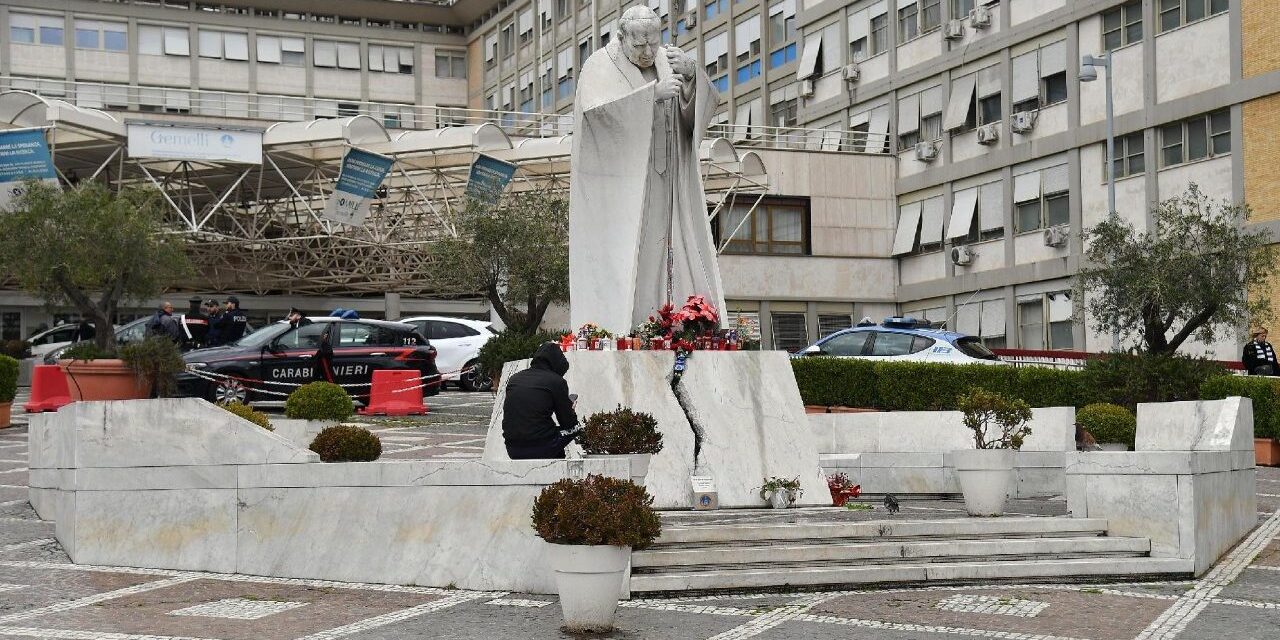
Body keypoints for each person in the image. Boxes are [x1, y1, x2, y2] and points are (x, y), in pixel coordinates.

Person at [568, 5, 725, 335]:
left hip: (671, 181)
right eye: (639, 45)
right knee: (635, 255)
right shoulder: (599, 65)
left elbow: (701, 113)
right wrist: (651, 96)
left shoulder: (667, 60)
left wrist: (692, 75)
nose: (648, 52)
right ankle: (635, 325)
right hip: (627, 188)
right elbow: (596, 116)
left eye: (653, 43)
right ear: (621, 37)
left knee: (675, 248)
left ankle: (681, 322)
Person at [502, 343, 580, 459]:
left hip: (512, 447)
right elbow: (568, 423)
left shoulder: (514, 378)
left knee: (550, 434)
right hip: (540, 446)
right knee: (576, 428)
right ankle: (557, 466)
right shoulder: (556, 381)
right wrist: (570, 408)